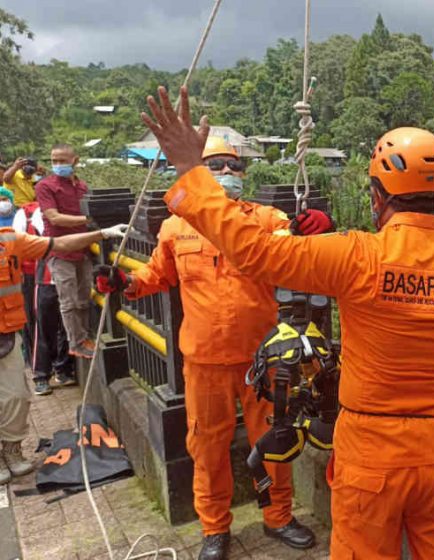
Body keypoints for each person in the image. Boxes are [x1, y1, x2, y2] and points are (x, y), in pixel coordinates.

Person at [141, 86, 434, 560]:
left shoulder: (357, 254)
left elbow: (255, 252)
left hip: (370, 451)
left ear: (377, 196)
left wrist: (191, 174)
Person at [94, 137, 332, 560]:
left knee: (275, 440)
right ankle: (214, 528)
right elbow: (155, 276)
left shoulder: (263, 218)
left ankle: (278, 516)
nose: (227, 173)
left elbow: (296, 244)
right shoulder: (174, 226)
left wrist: (317, 227)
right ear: (199, 172)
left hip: (264, 359)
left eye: (233, 166)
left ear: (243, 173)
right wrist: (123, 284)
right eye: (216, 165)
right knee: (206, 446)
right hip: (204, 361)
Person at [0, 221, 127, 484]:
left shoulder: (9, 240)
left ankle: (12, 450)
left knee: (16, 397)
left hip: (6, 335)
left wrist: (102, 233)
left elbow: (59, 245)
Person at [36, 144, 95, 360]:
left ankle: (84, 337)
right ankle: (76, 342)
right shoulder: (45, 186)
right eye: (54, 161)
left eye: (62, 160)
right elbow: (54, 217)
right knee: (68, 299)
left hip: (82, 250)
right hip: (59, 250)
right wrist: (88, 221)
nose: (58, 165)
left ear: (75, 160)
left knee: (83, 297)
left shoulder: (82, 187)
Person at [13, 203, 76, 395]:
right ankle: (41, 375)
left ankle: (62, 369)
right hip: (43, 275)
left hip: (68, 273)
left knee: (68, 324)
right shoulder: (29, 213)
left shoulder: (70, 212)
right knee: (43, 326)